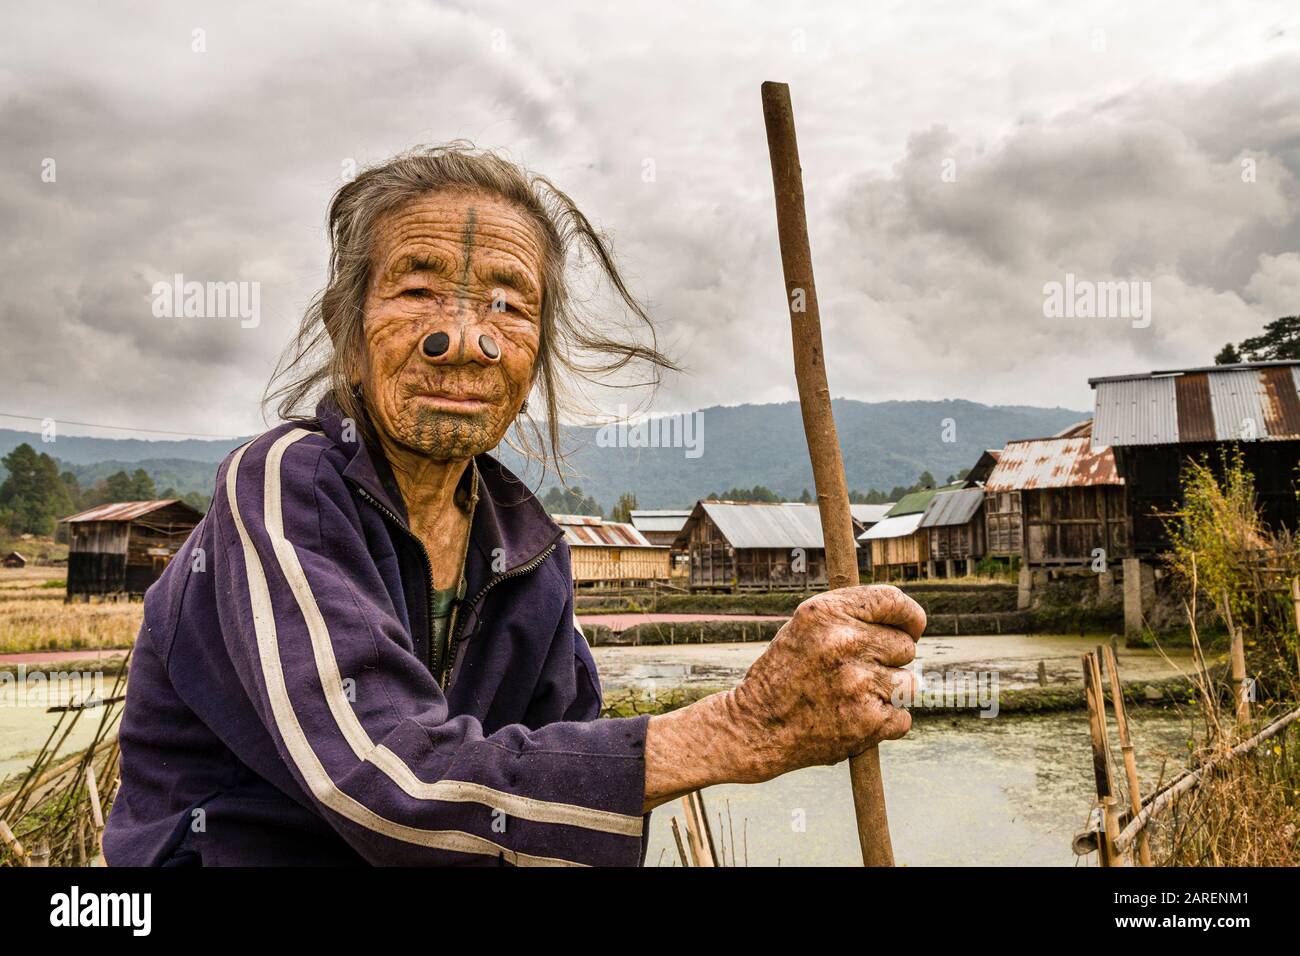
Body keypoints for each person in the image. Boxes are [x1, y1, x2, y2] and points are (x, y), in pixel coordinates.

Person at [104, 144, 925, 866]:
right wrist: (741, 727)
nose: (464, 338)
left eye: (508, 303)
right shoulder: (282, 487)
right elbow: (384, 783)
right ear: (349, 333)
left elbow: (561, 806)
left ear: (534, 354)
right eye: (419, 290)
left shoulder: (527, 548)